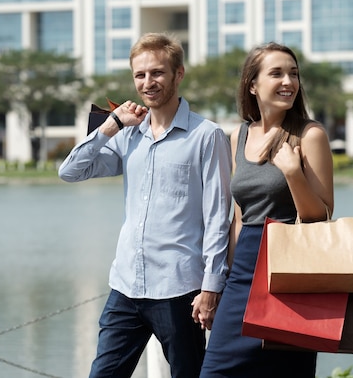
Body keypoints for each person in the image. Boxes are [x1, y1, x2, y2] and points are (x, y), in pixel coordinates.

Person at [58, 32, 232, 378]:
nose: (148, 83)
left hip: (179, 288)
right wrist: (112, 125)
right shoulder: (127, 136)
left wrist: (212, 287)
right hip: (126, 286)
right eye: (140, 75)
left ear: (178, 74)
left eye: (157, 73)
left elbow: (218, 217)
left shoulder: (206, 136)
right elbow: (70, 171)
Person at [199, 42, 335, 377]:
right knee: (215, 370)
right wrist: (220, 282)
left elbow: (322, 216)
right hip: (244, 269)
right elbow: (240, 216)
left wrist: (292, 173)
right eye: (277, 73)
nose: (289, 81)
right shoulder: (238, 136)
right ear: (252, 84)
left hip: (292, 268)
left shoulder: (310, 134)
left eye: (294, 73)